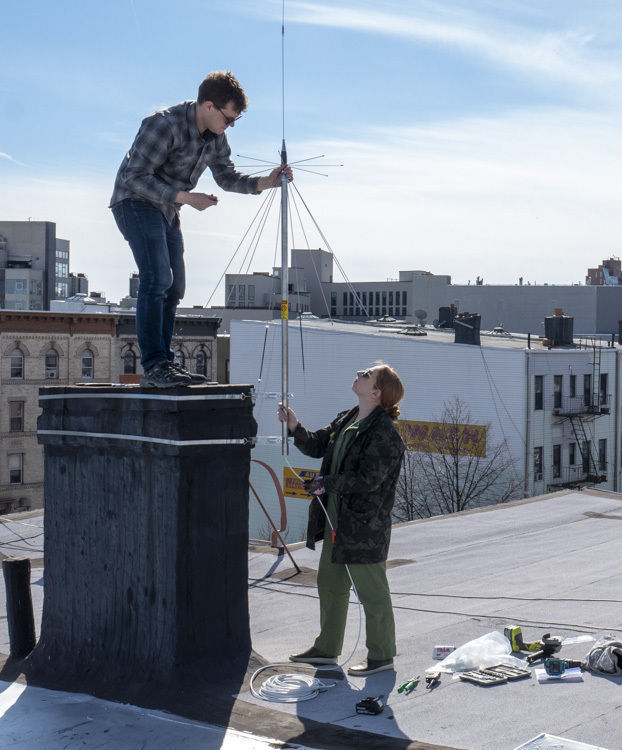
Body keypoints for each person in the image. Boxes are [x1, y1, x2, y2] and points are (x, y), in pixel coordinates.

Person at [110, 70, 292, 388]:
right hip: (134, 203)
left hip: (167, 209)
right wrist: (187, 198)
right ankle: (153, 367)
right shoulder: (163, 124)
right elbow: (134, 177)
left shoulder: (215, 138)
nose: (230, 125)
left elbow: (227, 177)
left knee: (175, 286)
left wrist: (267, 182)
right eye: (229, 118)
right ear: (208, 106)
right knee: (157, 278)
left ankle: (164, 363)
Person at [277, 364, 406, 676]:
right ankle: (327, 648)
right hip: (337, 521)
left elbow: (369, 479)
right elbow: (319, 444)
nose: (359, 374)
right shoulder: (348, 418)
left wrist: (327, 484)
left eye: (367, 374)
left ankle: (381, 655)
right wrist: (295, 426)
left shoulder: (384, 433)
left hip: (364, 527)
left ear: (377, 393)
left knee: (372, 593)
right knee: (331, 585)